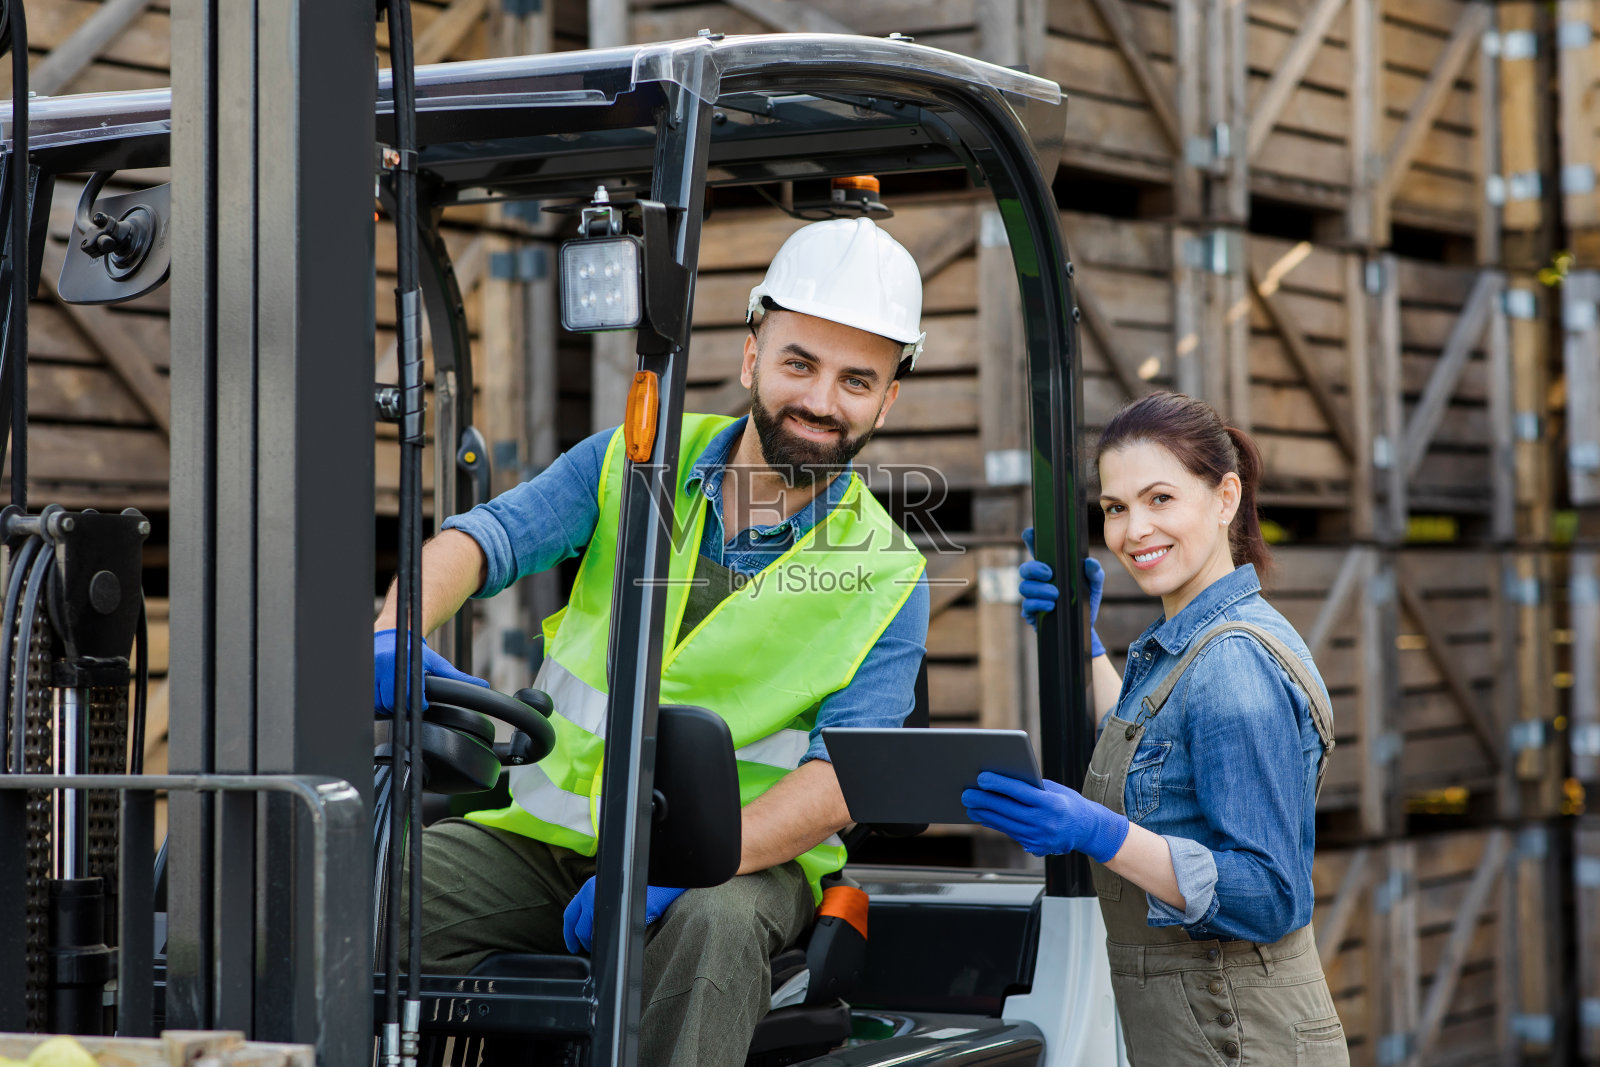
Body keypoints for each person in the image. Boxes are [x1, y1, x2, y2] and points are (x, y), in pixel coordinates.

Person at [372, 216, 931, 1067]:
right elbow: (483, 541)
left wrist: (678, 867)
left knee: (712, 927)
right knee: (351, 879)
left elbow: (840, 778)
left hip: (738, 864)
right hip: (548, 841)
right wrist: (394, 633)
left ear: (888, 399)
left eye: (857, 380)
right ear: (751, 357)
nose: (822, 400)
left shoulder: (890, 574)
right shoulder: (629, 462)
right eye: (798, 363)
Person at [968, 391, 1347, 1065]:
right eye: (1115, 508)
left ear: (1225, 496)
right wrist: (1081, 645)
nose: (1133, 529)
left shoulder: (1232, 662)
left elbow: (1269, 892)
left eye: (1160, 499)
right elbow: (1158, 751)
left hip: (1240, 1039)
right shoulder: (1188, 643)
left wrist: (1100, 832)